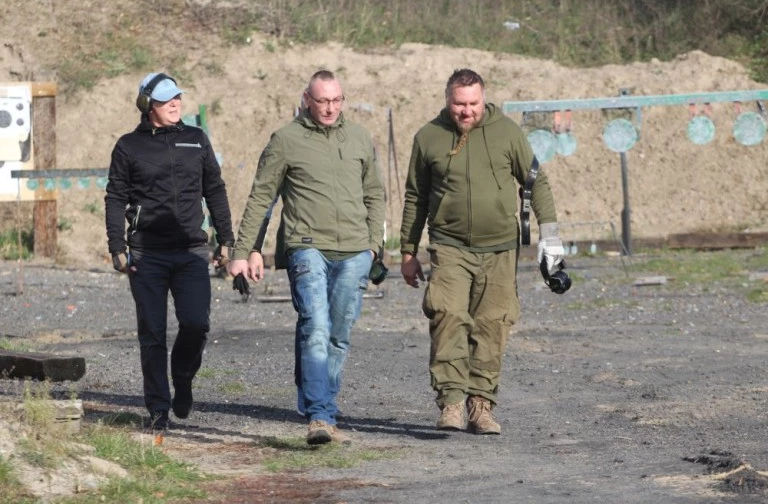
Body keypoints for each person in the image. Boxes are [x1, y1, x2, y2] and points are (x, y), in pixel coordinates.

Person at [399, 68, 564, 435]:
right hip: (450, 245)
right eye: (459, 104)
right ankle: (452, 402)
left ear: (483, 99)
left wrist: (550, 239)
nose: (467, 111)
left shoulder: (508, 133)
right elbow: (415, 196)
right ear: (447, 100)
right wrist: (408, 252)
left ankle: (481, 405)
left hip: (501, 249)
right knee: (447, 317)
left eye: (473, 103)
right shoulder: (428, 137)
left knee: (493, 325)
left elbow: (537, 183)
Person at [229, 70, 385, 446]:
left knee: (338, 333)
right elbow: (261, 198)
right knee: (315, 324)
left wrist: (372, 247)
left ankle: (320, 400)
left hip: (354, 250)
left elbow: (375, 194)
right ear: (306, 99)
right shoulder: (285, 140)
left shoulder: (360, 138)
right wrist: (242, 251)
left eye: (336, 100)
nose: (329, 108)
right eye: (322, 101)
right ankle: (320, 414)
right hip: (306, 245)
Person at [105, 72, 235, 432]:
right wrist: (117, 246)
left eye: (177, 97)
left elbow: (216, 190)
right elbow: (115, 197)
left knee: (196, 324)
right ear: (148, 106)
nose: (175, 103)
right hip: (147, 254)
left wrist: (226, 239)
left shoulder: (196, 140)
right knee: (152, 333)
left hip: (192, 251)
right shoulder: (129, 146)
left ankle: (183, 376)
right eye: (165, 100)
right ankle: (158, 409)